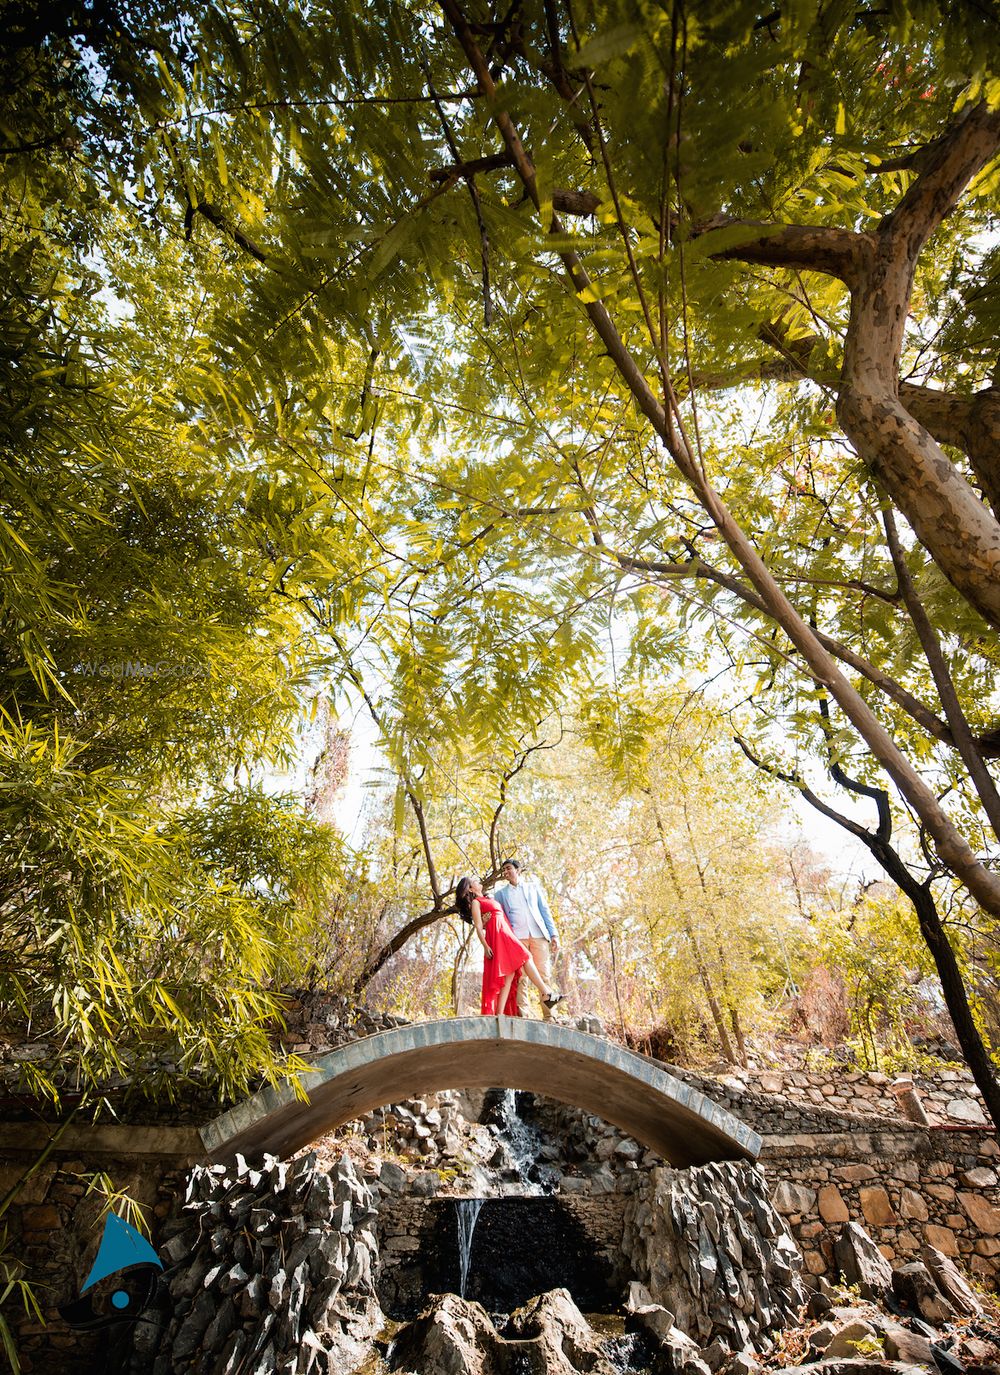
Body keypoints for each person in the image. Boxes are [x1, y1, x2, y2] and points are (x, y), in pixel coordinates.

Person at [455, 876, 564, 1016]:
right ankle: (547, 993)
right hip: (498, 936)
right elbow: (478, 926)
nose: (479, 882)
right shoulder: (476, 902)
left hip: (506, 933)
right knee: (525, 957)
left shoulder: (489, 898)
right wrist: (485, 945)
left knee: (510, 973)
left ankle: (500, 1013)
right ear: (470, 888)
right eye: (475, 882)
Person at [493, 858, 560, 1020]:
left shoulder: (532, 887)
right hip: (517, 940)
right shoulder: (500, 894)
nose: (506, 872)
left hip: (538, 935)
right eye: (504, 870)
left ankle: (549, 1015)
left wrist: (554, 934)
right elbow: (498, 916)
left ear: (518, 870)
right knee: (521, 978)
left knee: (544, 974)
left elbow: (544, 911)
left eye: (509, 868)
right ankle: (524, 1015)